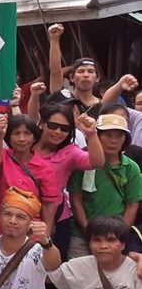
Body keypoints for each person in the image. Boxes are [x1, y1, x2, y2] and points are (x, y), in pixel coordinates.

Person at [68, 114, 142, 259]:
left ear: (125, 139)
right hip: (81, 235)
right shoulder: (84, 161)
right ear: (98, 136)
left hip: (115, 237)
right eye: (108, 135)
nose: (113, 140)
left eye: (119, 135)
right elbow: (76, 200)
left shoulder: (131, 168)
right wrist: (88, 231)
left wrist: (119, 234)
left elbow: (132, 205)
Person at [35, 104, 104, 260]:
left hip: (57, 221)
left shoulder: (70, 152)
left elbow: (97, 162)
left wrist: (91, 134)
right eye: (53, 126)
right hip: (20, 216)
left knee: (53, 267)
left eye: (64, 129)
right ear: (42, 123)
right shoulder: (26, 144)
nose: (58, 132)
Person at [0, 115, 62, 238]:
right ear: (9, 137)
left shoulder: (45, 168)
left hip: (28, 230)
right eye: (16, 133)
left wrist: (45, 235)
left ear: (34, 137)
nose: (22, 139)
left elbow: (48, 205)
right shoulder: (3, 156)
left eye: (27, 134)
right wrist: (0, 134)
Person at [49, 217, 142, 289]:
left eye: (111, 240)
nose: (103, 246)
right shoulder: (75, 267)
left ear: (123, 245)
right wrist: (46, 244)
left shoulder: (136, 270)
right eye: (97, 240)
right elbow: (44, 276)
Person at [48, 24, 102, 117]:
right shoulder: (64, 99)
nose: (85, 75)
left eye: (90, 71)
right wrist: (54, 39)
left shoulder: (103, 105)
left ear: (97, 78)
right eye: (81, 71)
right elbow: (55, 71)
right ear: (72, 77)